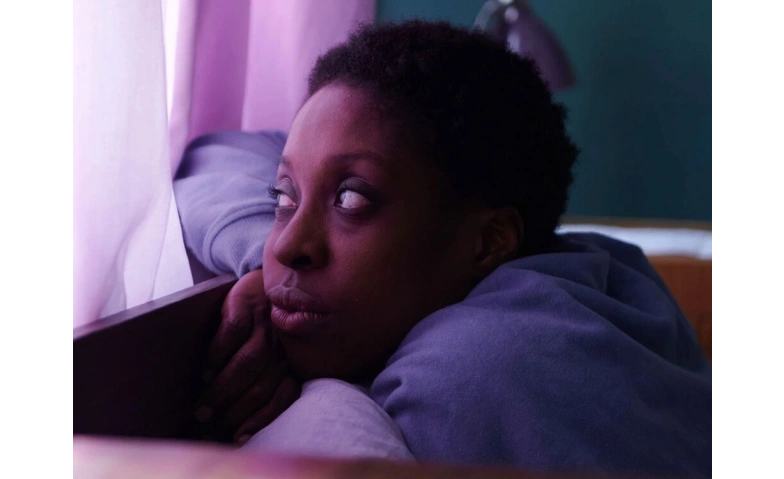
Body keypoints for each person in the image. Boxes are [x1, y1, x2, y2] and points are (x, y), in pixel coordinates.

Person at [173, 20, 711, 477]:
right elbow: (219, 154)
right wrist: (261, 261)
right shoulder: (597, 268)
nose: (289, 245)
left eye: (351, 199)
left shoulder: (475, 374)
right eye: (282, 196)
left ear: (487, 242)